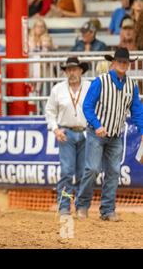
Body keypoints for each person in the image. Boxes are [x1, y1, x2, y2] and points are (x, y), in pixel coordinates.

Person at [77, 48, 143, 221]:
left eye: (126, 62)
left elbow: (137, 110)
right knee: (92, 169)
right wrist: (97, 125)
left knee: (114, 171)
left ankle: (107, 210)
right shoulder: (100, 81)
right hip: (96, 133)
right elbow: (87, 106)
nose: (123, 64)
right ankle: (82, 205)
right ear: (113, 63)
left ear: (128, 64)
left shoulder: (132, 85)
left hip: (115, 135)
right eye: (120, 61)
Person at [45, 57, 91, 216]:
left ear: (80, 70)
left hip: (86, 133)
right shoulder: (57, 89)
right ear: (66, 72)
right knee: (67, 172)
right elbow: (49, 112)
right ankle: (64, 206)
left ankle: (81, 206)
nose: (72, 72)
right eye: (69, 70)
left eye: (75, 69)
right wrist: (56, 129)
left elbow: (98, 109)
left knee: (83, 173)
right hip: (66, 134)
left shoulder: (90, 87)